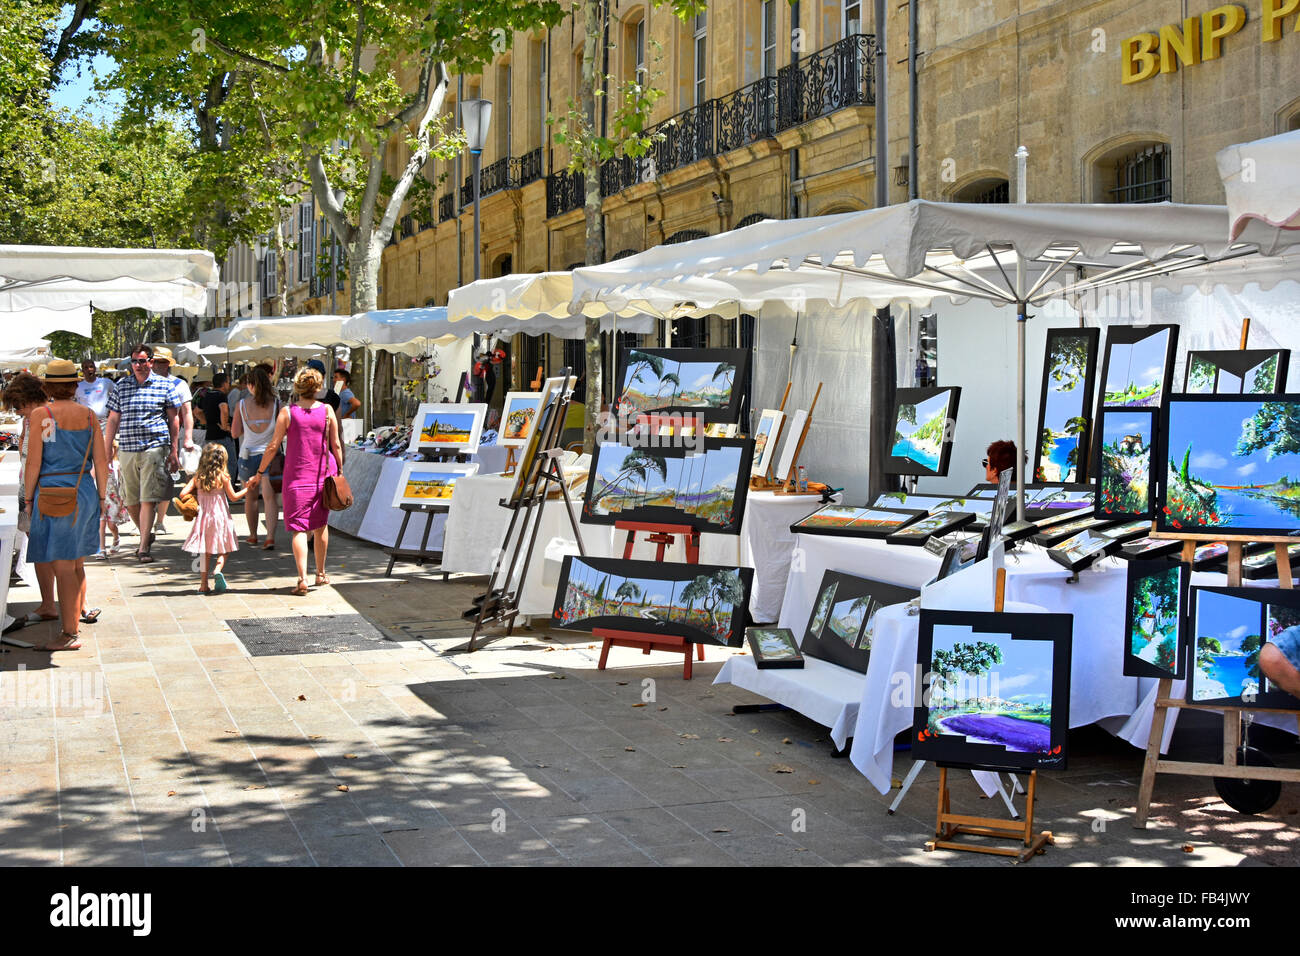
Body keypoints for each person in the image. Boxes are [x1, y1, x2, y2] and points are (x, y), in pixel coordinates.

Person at [25, 359, 108, 651]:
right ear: (75, 384)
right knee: (73, 564)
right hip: (83, 491)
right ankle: (71, 626)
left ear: (47, 385)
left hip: (53, 492)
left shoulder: (43, 415)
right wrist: (101, 497)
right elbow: (101, 462)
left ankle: (70, 633)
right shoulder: (88, 415)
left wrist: (27, 498)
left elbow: (35, 461)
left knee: (62, 566)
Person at [247, 366, 343, 595]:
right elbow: (336, 444)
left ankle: (302, 578)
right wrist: (339, 469)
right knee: (320, 525)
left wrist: (259, 473)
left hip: (296, 477)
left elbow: (272, 446)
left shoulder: (287, 413)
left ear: (297, 387)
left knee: (299, 529)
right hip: (323, 474)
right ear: (318, 387)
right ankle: (321, 573)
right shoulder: (328, 410)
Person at [104, 344, 181, 563]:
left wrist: (174, 449)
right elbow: (113, 419)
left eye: (142, 361)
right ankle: (146, 534)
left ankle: (143, 546)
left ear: (151, 362)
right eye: (135, 361)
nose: (138, 365)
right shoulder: (122, 386)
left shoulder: (164, 385)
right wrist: (107, 446)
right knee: (130, 500)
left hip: (155, 447)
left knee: (148, 498)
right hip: (127, 447)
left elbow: (174, 419)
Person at [3, 371, 59, 624]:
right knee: (40, 551)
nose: (18, 411)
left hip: (41, 492)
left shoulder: (47, 417)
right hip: (29, 490)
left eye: (19, 405)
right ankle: (50, 603)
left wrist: (31, 498)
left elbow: (47, 455)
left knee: (56, 552)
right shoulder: (31, 419)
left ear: (30, 397)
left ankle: (66, 604)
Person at [177, 443, 247, 594]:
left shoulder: (198, 477)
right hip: (220, 517)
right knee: (226, 547)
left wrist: (195, 496)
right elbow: (233, 498)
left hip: (203, 518)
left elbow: (182, 494)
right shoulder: (223, 477)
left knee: (205, 552)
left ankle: (203, 585)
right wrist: (247, 489)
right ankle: (217, 569)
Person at [231, 365, 281, 549]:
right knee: (270, 498)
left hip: (247, 454)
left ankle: (252, 535)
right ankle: (270, 537)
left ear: (251, 385)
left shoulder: (241, 405)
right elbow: (282, 432)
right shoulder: (276, 405)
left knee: (250, 497)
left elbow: (235, 433)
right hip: (271, 455)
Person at [151, 347, 196, 533]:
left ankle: (159, 521)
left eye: (164, 362)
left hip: (171, 441)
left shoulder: (179, 385)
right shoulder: (144, 384)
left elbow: (187, 413)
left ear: (169, 364)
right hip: (148, 439)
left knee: (165, 481)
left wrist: (188, 438)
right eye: (157, 362)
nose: (160, 366)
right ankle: (144, 520)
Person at [199, 372, 237, 483]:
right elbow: (224, 410)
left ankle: (212, 487)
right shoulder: (221, 396)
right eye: (228, 382)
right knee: (230, 463)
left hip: (210, 434)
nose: (229, 385)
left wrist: (207, 422)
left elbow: (197, 411)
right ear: (224, 383)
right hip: (222, 435)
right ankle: (229, 489)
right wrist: (225, 426)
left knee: (211, 464)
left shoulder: (207, 395)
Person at [100, 439, 127, 555]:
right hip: (100, 498)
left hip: (114, 499)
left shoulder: (116, 465)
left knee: (111, 524)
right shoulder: (97, 465)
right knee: (101, 524)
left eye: (110, 449)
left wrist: (121, 500)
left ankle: (116, 538)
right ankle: (101, 549)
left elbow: (121, 484)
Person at [75, 359, 114, 425]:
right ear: (82, 371)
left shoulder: (106, 382)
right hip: (86, 424)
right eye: (86, 367)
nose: (89, 369)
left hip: (104, 423)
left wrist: (113, 410)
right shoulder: (78, 387)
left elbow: (118, 394)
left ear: (95, 369)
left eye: (91, 366)